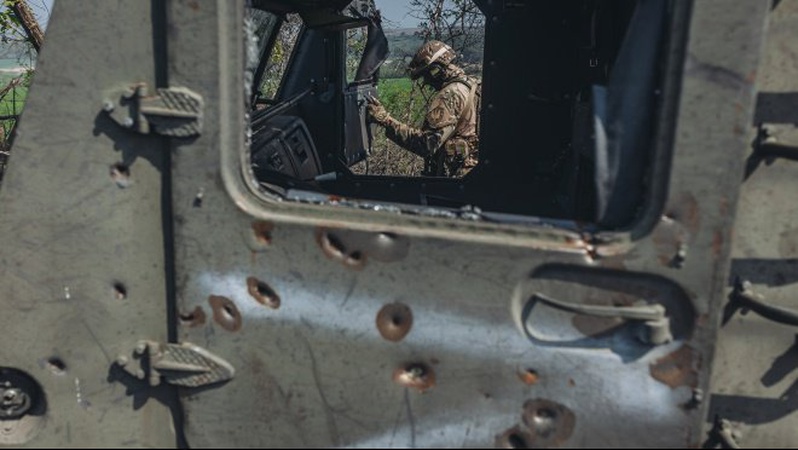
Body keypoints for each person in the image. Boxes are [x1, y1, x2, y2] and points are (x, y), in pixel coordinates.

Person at [366, 40, 480, 177]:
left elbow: (427, 145)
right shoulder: (472, 84)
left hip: (459, 178)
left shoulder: (449, 95)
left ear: (436, 70)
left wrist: (385, 120)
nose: (426, 82)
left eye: (426, 75)